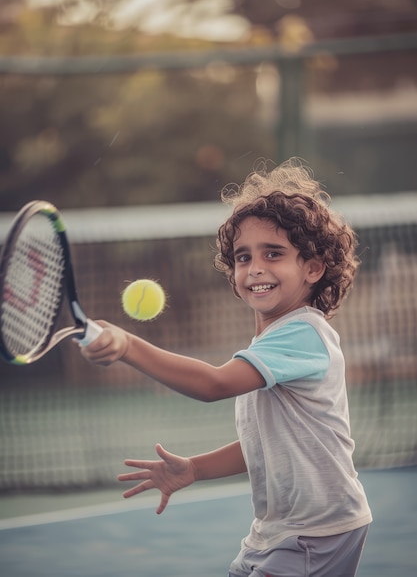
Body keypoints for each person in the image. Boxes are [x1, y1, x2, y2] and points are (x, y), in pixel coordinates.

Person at [81, 158, 372, 577]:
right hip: (275, 531)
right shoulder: (273, 343)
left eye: (274, 254)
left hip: (317, 531)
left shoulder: (303, 333)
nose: (254, 267)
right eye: (242, 257)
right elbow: (269, 445)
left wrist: (127, 345)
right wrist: (196, 468)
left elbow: (214, 384)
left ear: (312, 268)